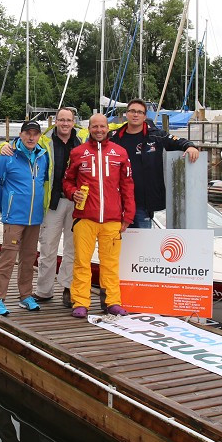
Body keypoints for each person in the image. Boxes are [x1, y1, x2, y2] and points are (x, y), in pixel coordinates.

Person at [0, 108, 86, 308]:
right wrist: (4, 145)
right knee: (48, 247)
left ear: (74, 122)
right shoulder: (45, 139)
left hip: (76, 200)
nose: (65, 123)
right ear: (55, 121)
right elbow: (21, 143)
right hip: (53, 201)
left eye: (68, 120)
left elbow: (107, 129)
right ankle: (44, 290)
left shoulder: (82, 136)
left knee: (72, 249)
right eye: (61, 120)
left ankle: (67, 288)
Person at [63, 113, 135, 319]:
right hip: (85, 217)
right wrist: (71, 192)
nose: (99, 130)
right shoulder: (78, 153)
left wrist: (127, 216)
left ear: (107, 128)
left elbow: (128, 186)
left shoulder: (120, 153)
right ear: (89, 128)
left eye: (102, 126)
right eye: (94, 126)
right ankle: (81, 302)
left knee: (110, 264)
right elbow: (67, 181)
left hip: (112, 219)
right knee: (82, 262)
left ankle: (112, 301)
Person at [0, 120, 50, 316]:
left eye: (35, 133)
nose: (31, 137)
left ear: (39, 136)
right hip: (14, 217)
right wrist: (7, 207)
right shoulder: (7, 156)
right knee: (7, 258)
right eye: (28, 133)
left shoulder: (43, 156)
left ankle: (25, 296)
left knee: (29, 258)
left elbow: (42, 184)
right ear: (21, 135)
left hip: (35, 217)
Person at [110, 99, 200, 228]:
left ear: (145, 116)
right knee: (115, 242)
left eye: (140, 112)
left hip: (144, 203)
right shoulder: (114, 138)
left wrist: (190, 146)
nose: (136, 115)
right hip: (117, 201)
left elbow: (177, 141)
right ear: (126, 114)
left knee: (143, 243)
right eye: (132, 111)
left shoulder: (156, 136)